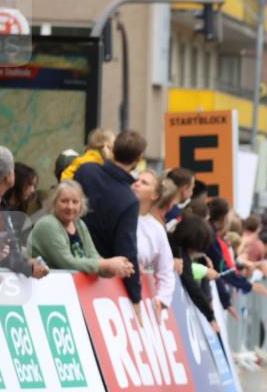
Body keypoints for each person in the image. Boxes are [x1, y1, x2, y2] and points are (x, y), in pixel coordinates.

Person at [74, 129, 145, 305]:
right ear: (138, 159)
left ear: (112, 149)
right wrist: (135, 297)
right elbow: (126, 248)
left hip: (66, 262)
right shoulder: (129, 200)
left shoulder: (85, 171)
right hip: (99, 279)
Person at [28, 180, 134, 278]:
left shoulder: (79, 224)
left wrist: (116, 267)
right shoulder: (48, 224)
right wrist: (107, 264)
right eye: (64, 201)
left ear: (81, 204)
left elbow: (93, 256)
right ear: (54, 202)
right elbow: (67, 263)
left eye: (75, 202)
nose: (70, 207)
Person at [0, 146, 49, 279]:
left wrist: (25, 262)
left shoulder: (0, 203)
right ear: (8, 176)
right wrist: (28, 267)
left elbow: (7, 250)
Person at [132, 170, 177, 311]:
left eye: (144, 183)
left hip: (136, 298)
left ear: (154, 195)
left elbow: (166, 270)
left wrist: (162, 299)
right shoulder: (115, 214)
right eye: (136, 180)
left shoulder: (156, 229)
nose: (137, 184)